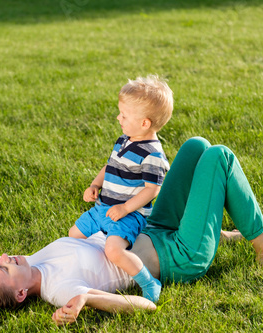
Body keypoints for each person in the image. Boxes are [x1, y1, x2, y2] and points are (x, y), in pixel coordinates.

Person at [0, 137, 263, 325]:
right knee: (219, 157)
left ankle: (222, 233)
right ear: (22, 293)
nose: (6, 257)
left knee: (196, 147)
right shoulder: (61, 290)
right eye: (4, 267)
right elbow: (146, 304)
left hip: (152, 227)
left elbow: (6, 263)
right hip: (178, 254)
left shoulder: (35, 264)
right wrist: (88, 300)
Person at [68, 75, 173, 302]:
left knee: (113, 251)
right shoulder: (125, 140)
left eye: (124, 115)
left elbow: (152, 190)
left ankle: (148, 282)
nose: (118, 117)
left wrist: (125, 208)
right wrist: (95, 184)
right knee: (73, 235)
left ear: (145, 123)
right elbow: (109, 166)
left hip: (128, 216)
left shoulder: (152, 155)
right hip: (103, 208)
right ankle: (84, 267)